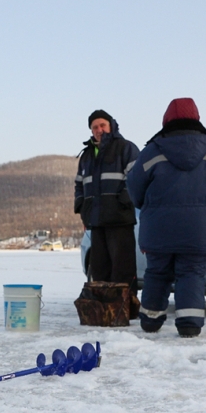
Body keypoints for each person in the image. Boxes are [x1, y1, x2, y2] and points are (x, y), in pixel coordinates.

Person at [126, 98, 206, 337]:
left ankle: (150, 321)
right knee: (192, 272)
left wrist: (146, 206)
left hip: (159, 227)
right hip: (199, 228)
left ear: (166, 120)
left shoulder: (152, 152)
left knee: (157, 271)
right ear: (196, 118)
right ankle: (189, 324)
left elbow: (135, 187)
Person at [74, 110, 139, 287]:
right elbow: (79, 184)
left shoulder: (126, 148)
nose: (99, 130)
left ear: (111, 125)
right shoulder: (87, 156)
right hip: (96, 222)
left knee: (122, 270)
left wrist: (122, 202)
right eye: (95, 127)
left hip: (120, 220)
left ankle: (123, 309)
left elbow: (136, 178)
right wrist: (82, 209)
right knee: (99, 270)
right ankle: (103, 311)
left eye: (102, 125)